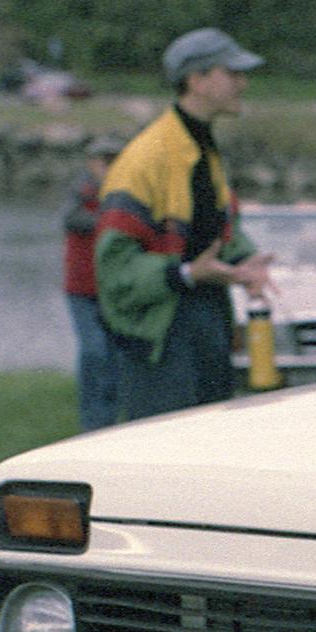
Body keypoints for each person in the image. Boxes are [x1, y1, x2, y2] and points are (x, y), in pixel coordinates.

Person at [94, 27, 276, 421]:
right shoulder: (145, 159)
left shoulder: (201, 149)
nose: (243, 83)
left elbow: (216, 230)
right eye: (233, 73)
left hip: (207, 322)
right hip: (161, 339)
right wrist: (188, 273)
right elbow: (114, 270)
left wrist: (246, 260)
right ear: (197, 80)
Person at [61, 134, 125, 431]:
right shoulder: (79, 193)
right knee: (94, 352)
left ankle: (106, 424)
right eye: (104, 161)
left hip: (115, 292)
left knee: (114, 359)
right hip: (82, 291)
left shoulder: (127, 195)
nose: (108, 167)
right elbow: (72, 220)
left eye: (114, 160)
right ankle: (91, 422)